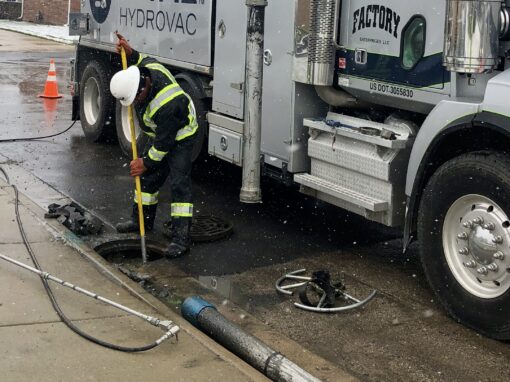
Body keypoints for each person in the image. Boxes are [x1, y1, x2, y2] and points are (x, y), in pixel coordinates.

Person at [110, 33, 198, 258]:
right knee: (148, 181)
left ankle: (181, 239)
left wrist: (146, 162)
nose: (135, 104)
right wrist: (131, 54)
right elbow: (142, 59)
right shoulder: (147, 69)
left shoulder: (168, 105)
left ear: (144, 87)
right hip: (162, 133)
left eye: (135, 99)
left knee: (179, 184)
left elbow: (163, 145)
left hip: (181, 136)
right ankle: (140, 221)